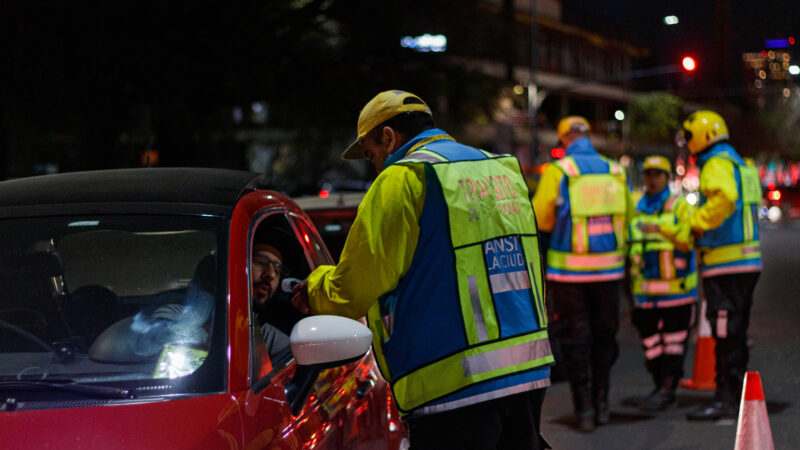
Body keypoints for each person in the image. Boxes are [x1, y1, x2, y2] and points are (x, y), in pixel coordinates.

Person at [291, 90, 552, 449]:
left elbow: (355, 287)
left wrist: (313, 289)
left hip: (454, 384)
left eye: (371, 154)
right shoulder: (499, 168)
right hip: (526, 372)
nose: (376, 165)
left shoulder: (403, 178)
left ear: (388, 137)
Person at [531, 116, 632, 432]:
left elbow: (540, 218)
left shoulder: (560, 171)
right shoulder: (616, 171)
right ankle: (602, 404)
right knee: (605, 336)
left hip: (569, 274)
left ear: (564, 140)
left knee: (576, 339)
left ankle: (584, 409)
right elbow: (627, 216)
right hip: (609, 271)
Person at [676, 110, 762, 420]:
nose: (687, 143)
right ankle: (733, 396)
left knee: (725, 333)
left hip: (725, 264)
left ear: (702, 136)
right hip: (745, 262)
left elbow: (723, 199)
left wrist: (697, 223)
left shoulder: (716, 163)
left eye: (688, 137)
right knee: (734, 332)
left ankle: (726, 399)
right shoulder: (739, 162)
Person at [628, 155, 697, 411]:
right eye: (648, 174)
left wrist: (657, 229)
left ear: (668, 178)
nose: (652, 179)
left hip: (677, 292)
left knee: (673, 345)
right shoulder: (636, 206)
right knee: (651, 346)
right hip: (645, 293)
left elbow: (687, 239)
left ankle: (667, 389)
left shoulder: (679, 206)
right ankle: (660, 386)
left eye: (658, 174)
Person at [251, 243, 290, 358]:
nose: (271, 274)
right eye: (260, 262)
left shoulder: (280, 347)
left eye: (278, 270)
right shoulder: (198, 320)